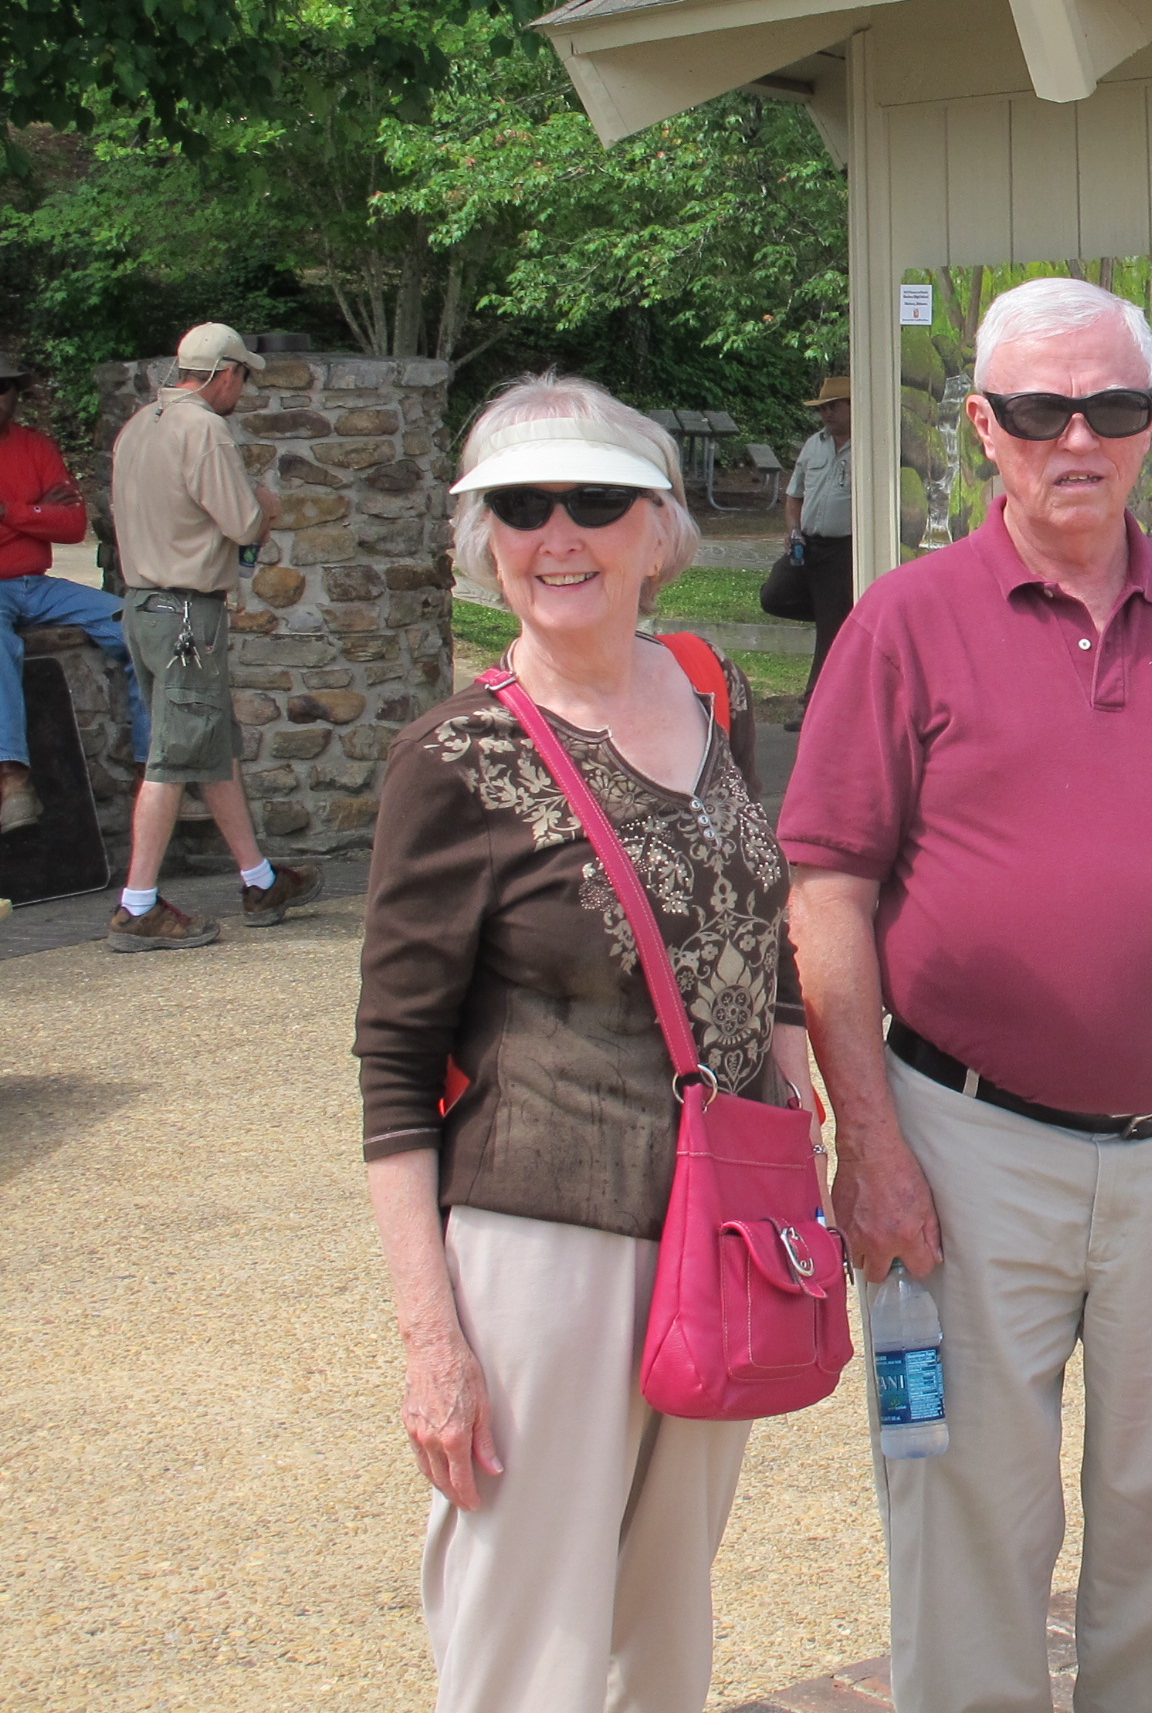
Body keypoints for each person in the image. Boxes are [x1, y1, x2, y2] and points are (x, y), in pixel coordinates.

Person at [781, 275, 1152, 1713]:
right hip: (963, 1147)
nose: (1074, 439)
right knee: (963, 1503)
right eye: (1038, 411)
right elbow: (826, 895)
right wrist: (870, 1143)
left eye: (1109, 406)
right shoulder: (902, 623)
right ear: (984, 426)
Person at [354, 374, 807, 1713]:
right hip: (545, 1248)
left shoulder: (707, 690)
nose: (559, 534)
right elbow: (393, 1068)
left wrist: (788, 1091)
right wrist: (433, 1343)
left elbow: (757, 914)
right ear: (481, 540)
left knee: (662, 1635)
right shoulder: (455, 758)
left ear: (658, 530)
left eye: (596, 500)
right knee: (529, 1647)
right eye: (520, 505)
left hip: (720, 1239)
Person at [105, 323, 317, 947]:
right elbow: (243, 524)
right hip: (186, 615)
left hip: (143, 605)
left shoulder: (139, 425)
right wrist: (265, 507)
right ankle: (138, 905)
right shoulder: (203, 429)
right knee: (174, 757)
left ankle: (260, 880)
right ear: (225, 372)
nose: (242, 391)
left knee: (210, 742)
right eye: (243, 377)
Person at [0, 349, 148, 832]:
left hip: (37, 585)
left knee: (139, 625)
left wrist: (10, 513)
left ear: (16, 394)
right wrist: (37, 510)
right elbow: (53, 519)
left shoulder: (36, 446)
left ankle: (152, 773)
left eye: (2, 387)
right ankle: (12, 781)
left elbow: (72, 525)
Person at [783, 374, 855, 702]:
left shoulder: (869, 445)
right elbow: (794, 495)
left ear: (853, 407)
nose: (827, 413)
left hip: (844, 548)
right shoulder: (814, 444)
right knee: (775, 594)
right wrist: (793, 530)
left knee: (829, 625)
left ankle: (814, 701)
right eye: (823, 408)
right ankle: (841, 614)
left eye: (834, 406)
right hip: (808, 544)